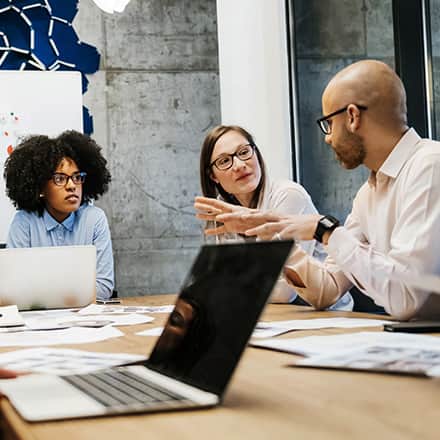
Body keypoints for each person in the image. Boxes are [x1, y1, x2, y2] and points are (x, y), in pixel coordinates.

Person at [205, 60, 440, 321]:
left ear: (352, 117)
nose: (327, 137)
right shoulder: (368, 194)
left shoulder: (430, 165)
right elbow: (327, 291)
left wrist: (325, 229)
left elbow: (407, 299)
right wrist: (275, 230)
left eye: (328, 123)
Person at [195, 124, 352, 309]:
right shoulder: (222, 209)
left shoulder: (288, 195)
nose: (239, 165)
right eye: (224, 161)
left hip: (324, 315)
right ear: (213, 176)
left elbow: (286, 292)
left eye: (244, 152)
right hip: (270, 316)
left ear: (256, 153)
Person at [4, 130, 114, 301]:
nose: (72, 186)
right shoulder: (24, 222)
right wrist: (74, 293)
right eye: (60, 179)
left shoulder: (94, 219)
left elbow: (104, 287)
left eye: (77, 177)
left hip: (86, 321)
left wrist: (43, 293)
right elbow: (13, 288)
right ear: (40, 188)